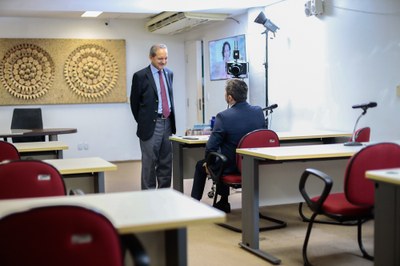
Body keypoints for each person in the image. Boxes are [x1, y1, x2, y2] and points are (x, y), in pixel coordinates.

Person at [190, 79, 265, 212]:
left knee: (205, 163)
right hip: (253, 164)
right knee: (223, 155)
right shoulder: (258, 112)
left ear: (230, 98)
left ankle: (194, 205)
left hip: (231, 167)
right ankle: (223, 201)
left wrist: (208, 163)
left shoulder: (223, 116)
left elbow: (211, 147)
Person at [130, 44, 176, 189]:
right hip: (151, 124)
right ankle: (148, 198)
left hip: (167, 122)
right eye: (160, 58)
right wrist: (144, 121)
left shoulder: (169, 73)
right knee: (149, 164)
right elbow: (134, 103)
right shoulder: (140, 76)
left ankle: (164, 195)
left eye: (166, 58)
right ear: (151, 57)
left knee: (166, 163)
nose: (163, 61)